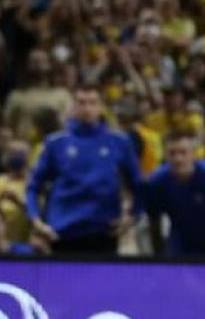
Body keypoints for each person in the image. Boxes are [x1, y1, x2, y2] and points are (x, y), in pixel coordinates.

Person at [25, 83, 141, 254]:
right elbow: (34, 186)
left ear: (101, 107)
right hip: (63, 231)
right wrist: (36, 219)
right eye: (81, 102)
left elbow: (138, 185)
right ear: (73, 107)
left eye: (92, 103)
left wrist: (132, 217)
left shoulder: (120, 142)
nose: (87, 108)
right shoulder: (56, 143)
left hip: (104, 231)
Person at [143, 132, 205, 256]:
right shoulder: (157, 182)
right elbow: (154, 222)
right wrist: (160, 258)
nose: (178, 159)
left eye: (183, 152)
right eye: (172, 153)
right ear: (165, 155)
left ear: (193, 155)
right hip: (180, 244)